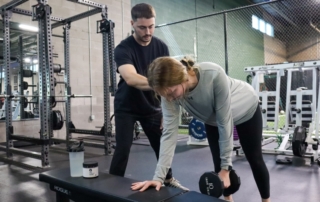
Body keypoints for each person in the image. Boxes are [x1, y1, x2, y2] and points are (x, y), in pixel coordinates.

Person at [131, 57, 271, 202]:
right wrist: (158, 178)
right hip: (212, 118)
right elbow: (169, 134)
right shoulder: (169, 93)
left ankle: (266, 200)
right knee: (218, 164)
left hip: (246, 107)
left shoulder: (213, 74)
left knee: (254, 159)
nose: (170, 99)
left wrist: (226, 168)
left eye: (172, 92)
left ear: (183, 78)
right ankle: (227, 200)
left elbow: (224, 122)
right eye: (165, 95)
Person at [109, 3, 188, 191]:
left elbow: (168, 77)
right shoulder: (123, 48)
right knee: (122, 149)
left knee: (161, 146)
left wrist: (165, 109)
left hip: (152, 107)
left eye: (151, 26)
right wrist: (162, 85)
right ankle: (110, 186)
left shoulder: (161, 47)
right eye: (142, 27)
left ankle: (167, 179)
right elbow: (131, 78)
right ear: (132, 24)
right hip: (126, 107)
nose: (148, 32)